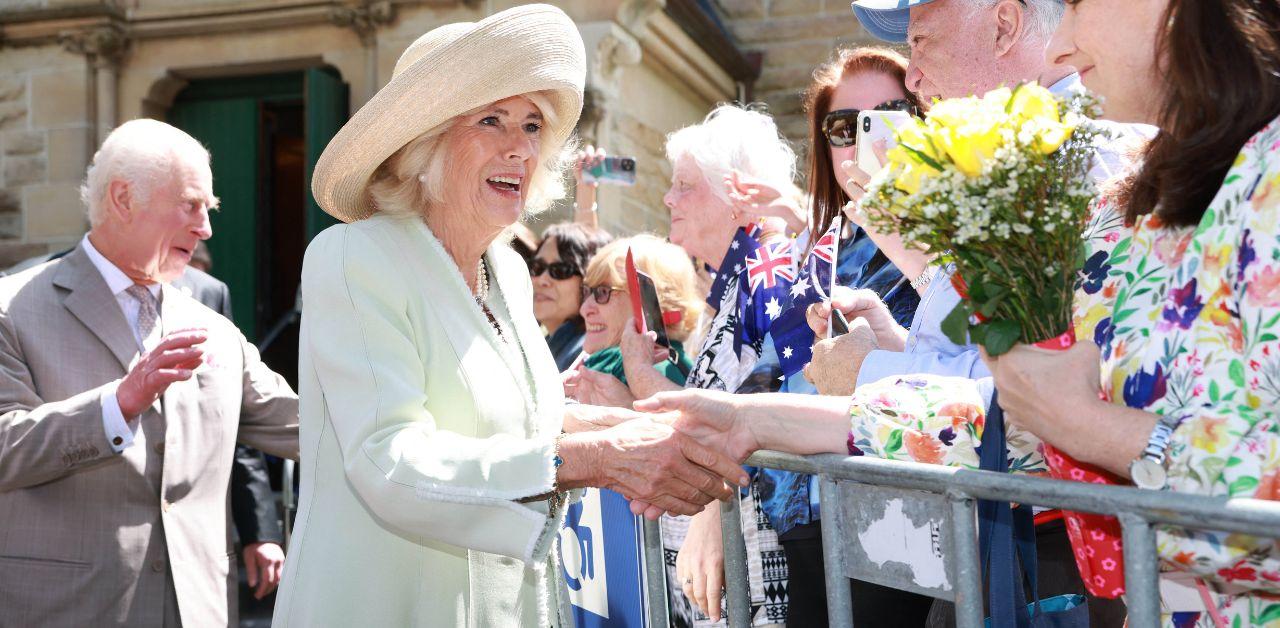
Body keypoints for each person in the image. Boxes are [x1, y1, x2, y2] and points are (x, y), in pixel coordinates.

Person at [271, 6, 749, 626]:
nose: (519, 147)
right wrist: (598, 456)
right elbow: (388, 461)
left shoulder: (509, 272)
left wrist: (646, 425)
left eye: (531, 126)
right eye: (490, 120)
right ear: (425, 145)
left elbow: (527, 419)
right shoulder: (354, 255)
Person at [0, 118, 300, 626]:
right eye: (191, 205)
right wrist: (118, 404)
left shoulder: (212, 327)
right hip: (66, 608)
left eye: (210, 209)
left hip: (196, 609)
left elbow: (299, 422)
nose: (205, 228)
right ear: (123, 199)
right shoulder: (12, 310)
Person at [616, 104, 803, 626]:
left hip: (753, 577)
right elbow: (711, 416)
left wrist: (711, 517)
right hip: (723, 582)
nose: (668, 198)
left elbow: (752, 415)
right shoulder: (736, 286)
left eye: (685, 186)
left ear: (736, 195)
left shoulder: (771, 275)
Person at [171, 258, 287, 603]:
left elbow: (235, 420)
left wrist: (260, 530)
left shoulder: (209, 292)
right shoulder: (47, 284)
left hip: (198, 535)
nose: (203, 226)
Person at [562, 234, 703, 406]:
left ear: (649, 301)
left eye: (603, 292)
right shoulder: (680, 366)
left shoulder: (628, 367)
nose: (584, 309)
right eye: (586, 292)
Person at [533, 222, 613, 371]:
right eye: (538, 267)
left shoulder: (585, 358)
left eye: (561, 270)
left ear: (591, 281)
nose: (542, 280)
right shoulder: (550, 346)